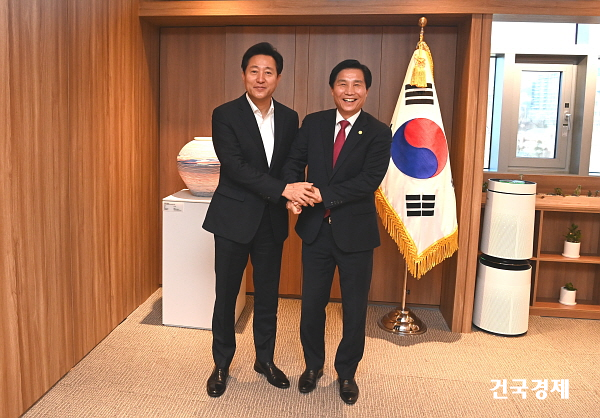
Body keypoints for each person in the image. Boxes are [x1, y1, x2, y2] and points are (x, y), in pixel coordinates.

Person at [202, 42, 317, 398]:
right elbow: (236, 168)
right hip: (233, 218)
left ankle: (264, 360)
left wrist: (293, 192)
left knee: (268, 296)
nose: (261, 78)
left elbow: (291, 164)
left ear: (278, 77)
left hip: (271, 221)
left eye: (268, 72)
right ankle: (222, 363)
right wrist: (285, 189)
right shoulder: (225, 114)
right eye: (254, 71)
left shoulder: (290, 117)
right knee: (226, 296)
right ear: (243, 75)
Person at [282, 59, 392, 405]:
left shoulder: (378, 132)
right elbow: (293, 162)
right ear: (332, 89)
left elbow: (368, 180)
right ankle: (313, 366)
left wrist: (321, 195)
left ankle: (346, 372)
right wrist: (294, 193)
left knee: (354, 308)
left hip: (355, 233)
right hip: (316, 230)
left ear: (367, 91)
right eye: (342, 83)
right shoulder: (313, 123)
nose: (349, 91)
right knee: (312, 305)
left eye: (357, 84)